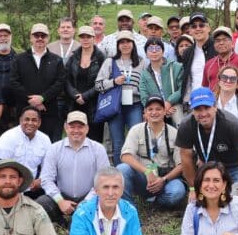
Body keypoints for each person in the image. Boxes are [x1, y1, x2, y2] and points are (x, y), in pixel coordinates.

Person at [177, 87, 238, 199]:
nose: (203, 113)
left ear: (215, 107)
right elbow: (185, 157)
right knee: (201, 204)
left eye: (207, 107)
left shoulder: (230, 123)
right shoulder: (186, 125)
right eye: (197, 109)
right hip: (209, 167)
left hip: (237, 166)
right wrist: (193, 188)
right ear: (192, 110)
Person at [38, 111, 111, 226]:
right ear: (66, 128)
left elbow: (104, 179)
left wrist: (86, 202)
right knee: (42, 203)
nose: (76, 130)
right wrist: (60, 201)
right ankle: (61, 220)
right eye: (72, 127)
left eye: (80, 127)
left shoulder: (98, 149)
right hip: (62, 196)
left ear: (87, 128)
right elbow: (46, 179)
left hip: (90, 197)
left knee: (106, 204)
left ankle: (76, 223)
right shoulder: (54, 149)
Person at [118, 96, 187, 208]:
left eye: (158, 109)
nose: (154, 112)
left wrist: (164, 179)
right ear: (144, 113)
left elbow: (181, 165)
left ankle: (156, 201)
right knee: (122, 169)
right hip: (143, 178)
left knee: (177, 192)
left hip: (166, 178)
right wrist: (147, 171)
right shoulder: (136, 130)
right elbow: (125, 156)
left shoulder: (175, 133)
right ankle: (129, 207)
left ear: (165, 111)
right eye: (150, 109)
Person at [8, 23, 66, 142]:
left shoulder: (56, 60)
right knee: (23, 144)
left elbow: (60, 83)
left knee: (47, 144)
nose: (39, 38)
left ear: (48, 38)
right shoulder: (19, 59)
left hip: (48, 111)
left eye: (43, 36)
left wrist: (43, 98)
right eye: (36, 35)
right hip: (24, 111)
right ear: (31, 38)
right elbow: (14, 82)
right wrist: (31, 101)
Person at [95, 31, 144, 164]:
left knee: (138, 140)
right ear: (117, 45)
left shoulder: (141, 62)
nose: (125, 44)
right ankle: (120, 175)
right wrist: (113, 82)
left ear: (133, 44)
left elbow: (146, 85)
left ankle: (136, 172)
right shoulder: (110, 62)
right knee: (118, 143)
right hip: (115, 106)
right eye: (122, 42)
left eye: (128, 41)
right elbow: (98, 85)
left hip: (135, 104)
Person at [0, 106, 51, 199]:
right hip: (8, 185)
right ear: (20, 120)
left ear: (39, 123)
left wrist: (40, 180)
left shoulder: (45, 139)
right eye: (26, 119)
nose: (30, 123)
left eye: (34, 120)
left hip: (32, 188)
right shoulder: (8, 138)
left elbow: (48, 166)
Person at [64, 24, 106, 142]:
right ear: (79, 39)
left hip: (94, 104)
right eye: (83, 37)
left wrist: (86, 96)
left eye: (88, 37)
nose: (85, 39)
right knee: (75, 137)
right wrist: (75, 95)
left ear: (93, 38)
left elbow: (103, 81)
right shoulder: (73, 57)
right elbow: (65, 79)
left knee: (94, 138)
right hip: (75, 103)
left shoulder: (101, 57)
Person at [139, 36, 184, 125]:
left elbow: (182, 88)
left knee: (179, 122)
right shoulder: (144, 74)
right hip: (155, 107)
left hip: (174, 105)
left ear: (163, 52)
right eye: (151, 49)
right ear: (146, 54)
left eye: (158, 48)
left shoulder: (176, 67)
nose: (154, 51)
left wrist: (169, 102)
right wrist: (160, 107)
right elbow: (144, 97)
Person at [179, 11, 214, 107]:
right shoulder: (187, 52)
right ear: (190, 30)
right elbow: (188, 80)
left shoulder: (217, 48)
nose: (198, 29)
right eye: (194, 26)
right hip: (194, 103)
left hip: (213, 102)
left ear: (208, 28)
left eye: (201, 25)